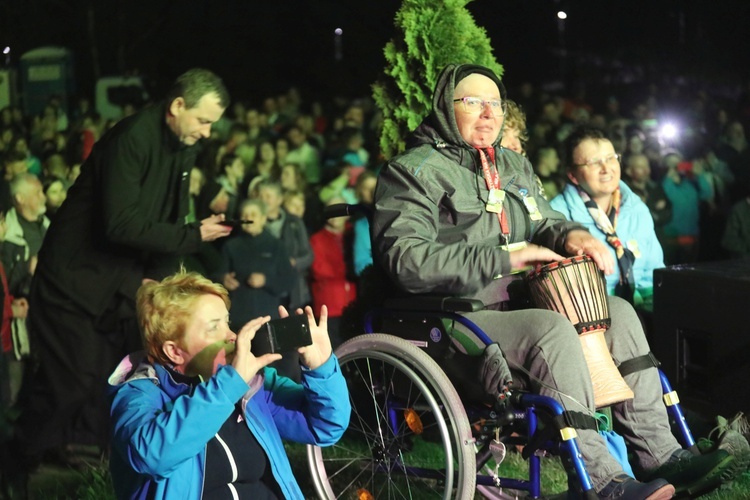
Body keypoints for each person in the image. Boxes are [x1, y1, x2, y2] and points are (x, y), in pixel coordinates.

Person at [372, 63, 739, 499]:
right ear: (446, 108)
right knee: (553, 332)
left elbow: (545, 220)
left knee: (616, 313)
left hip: (522, 304)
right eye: (473, 102)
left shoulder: (511, 164)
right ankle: (604, 482)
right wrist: (505, 256)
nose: (489, 113)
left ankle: (662, 456)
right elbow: (405, 260)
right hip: (457, 319)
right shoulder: (413, 171)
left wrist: (571, 234)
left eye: (496, 104)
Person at [6, 68, 234, 475]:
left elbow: (166, 221)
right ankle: (14, 464)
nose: (207, 132)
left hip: (115, 285)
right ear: (177, 106)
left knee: (106, 376)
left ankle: (79, 456)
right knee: (69, 385)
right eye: (203, 120)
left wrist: (170, 281)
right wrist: (191, 235)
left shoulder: (182, 146)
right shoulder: (133, 138)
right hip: (73, 283)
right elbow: (120, 224)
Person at [107, 269, 350, 499]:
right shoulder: (139, 392)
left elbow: (325, 426)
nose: (231, 335)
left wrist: (321, 369)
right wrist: (227, 387)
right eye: (214, 327)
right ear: (175, 351)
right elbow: (152, 455)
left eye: (227, 322)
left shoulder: (252, 385)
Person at [550, 127, 665, 313]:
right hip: (589, 315)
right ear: (572, 175)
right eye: (593, 162)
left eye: (611, 158)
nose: (606, 169)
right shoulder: (556, 216)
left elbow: (653, 274)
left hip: (642, 313)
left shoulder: (637, 209)